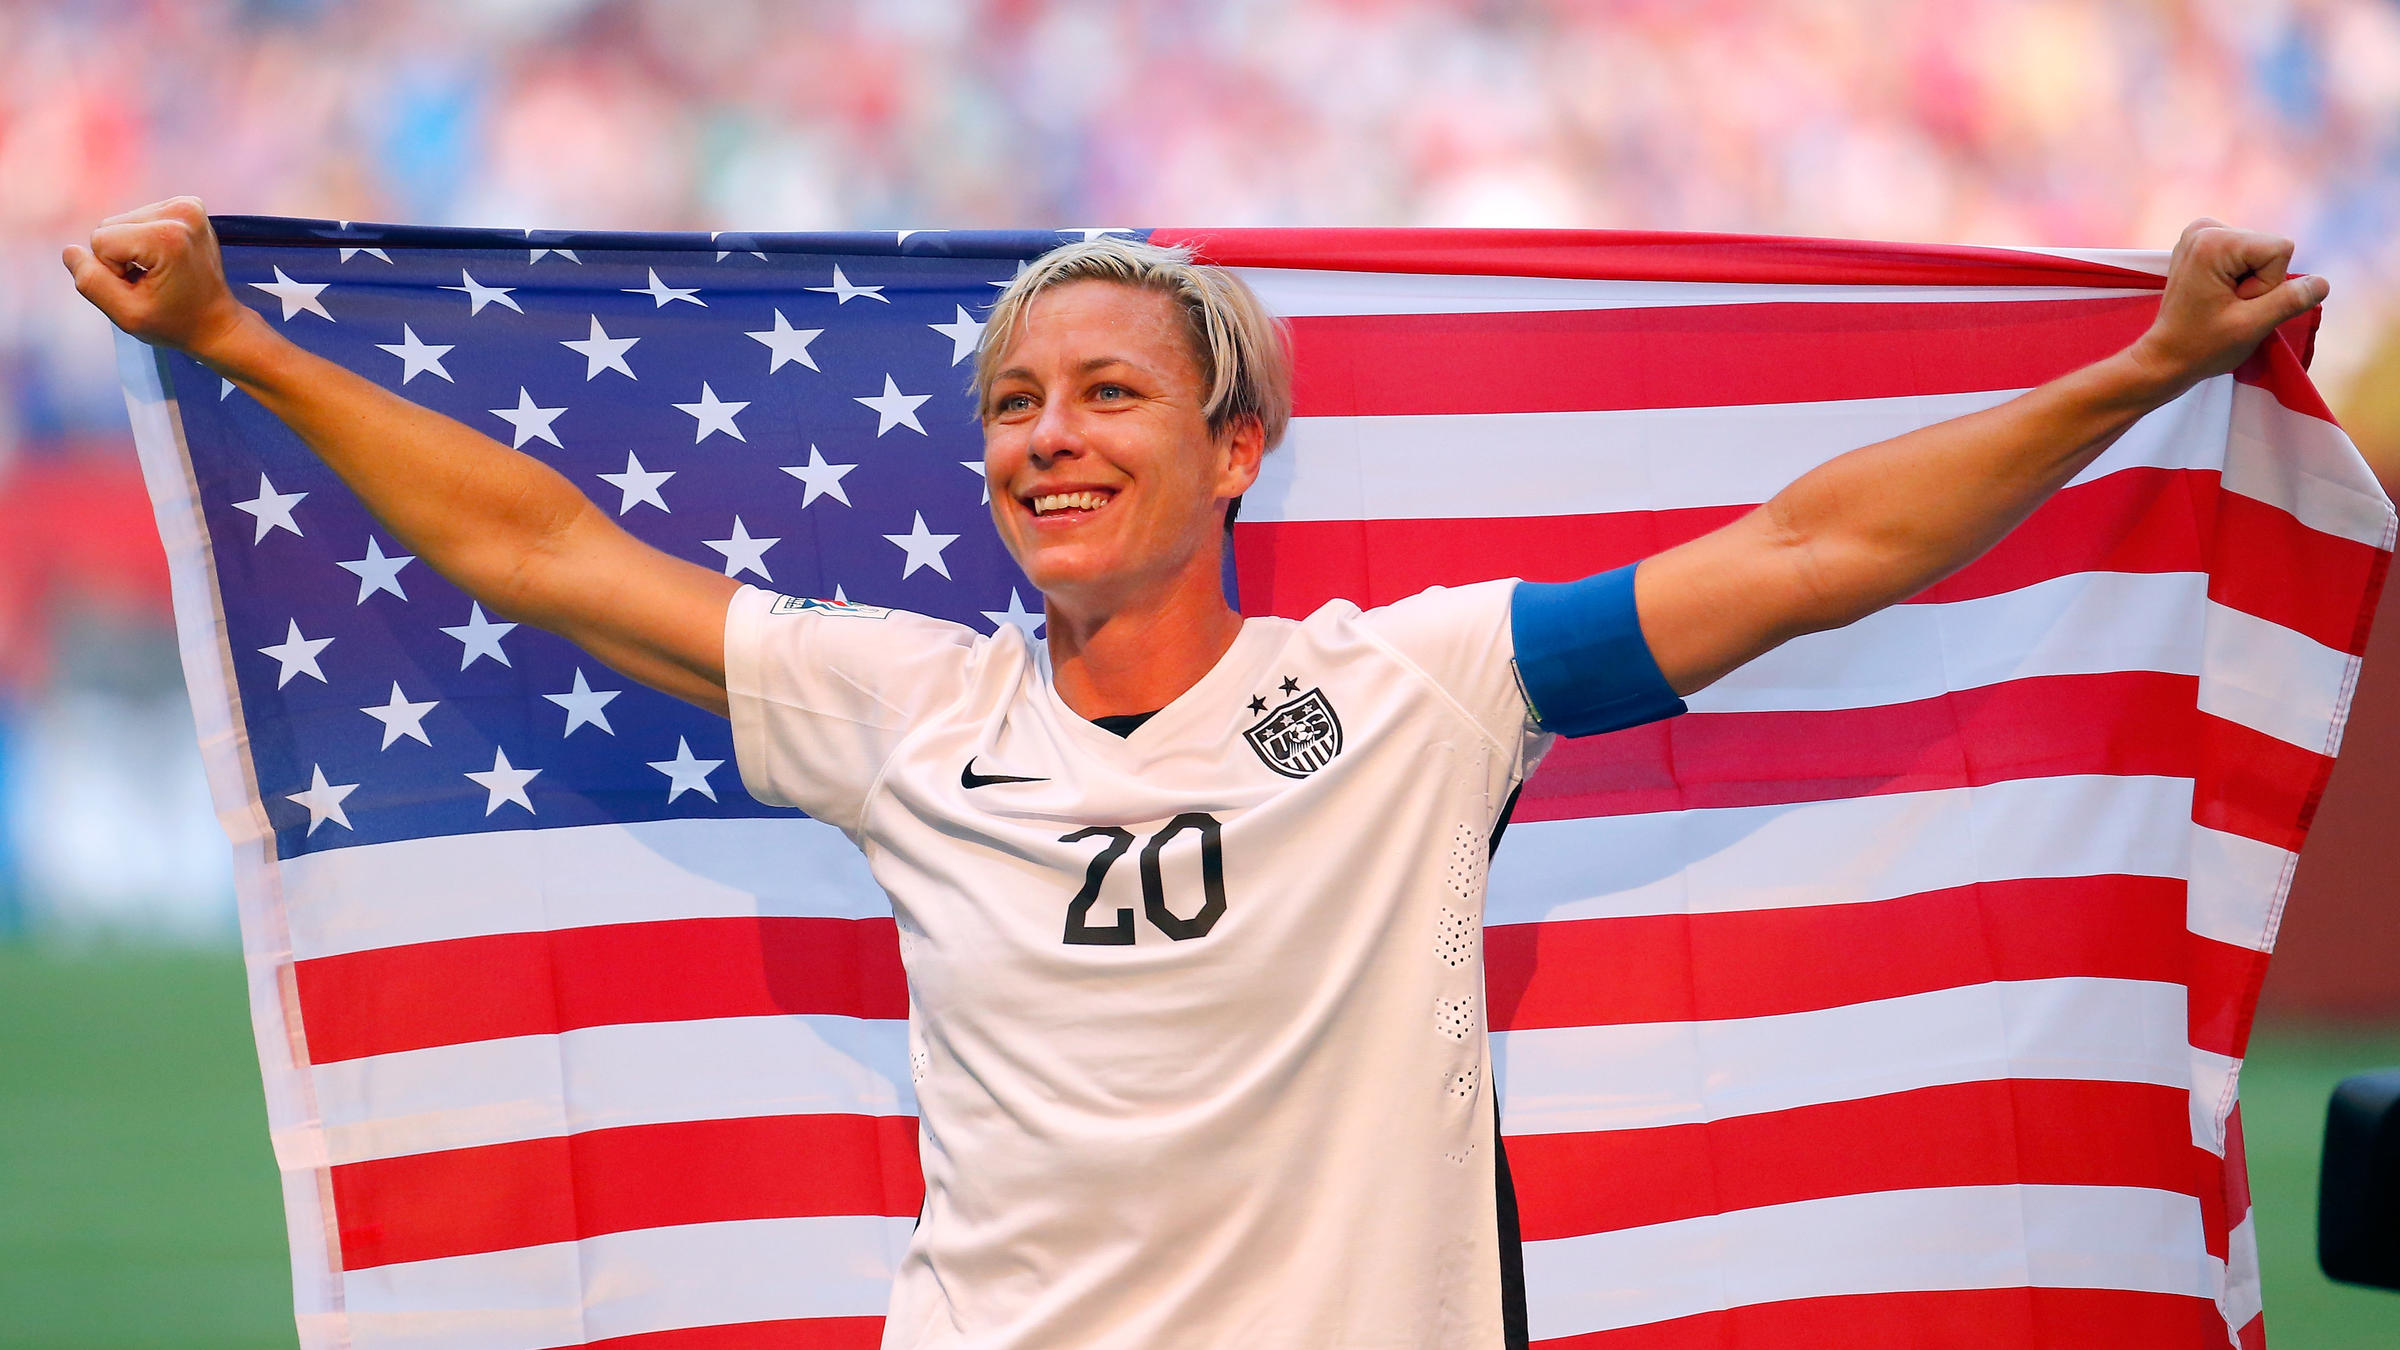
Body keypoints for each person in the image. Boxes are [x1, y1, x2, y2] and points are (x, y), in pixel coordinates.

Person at [66, 199, 2324, 1350]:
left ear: (1239, 449)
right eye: (1014, 405)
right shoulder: (898, 706)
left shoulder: (1424, 693)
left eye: (1111, 394)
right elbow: (542, 551)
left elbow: (1814, 553)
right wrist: (236, 338)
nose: (1049, 438)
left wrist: (2142, 367)